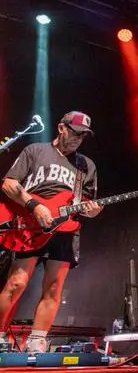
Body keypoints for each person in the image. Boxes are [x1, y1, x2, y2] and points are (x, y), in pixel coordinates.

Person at [0, 111, 103, 353]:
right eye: (75, 133)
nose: (78, 139)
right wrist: (34, 206)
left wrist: (92, 211)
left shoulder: (86, 166)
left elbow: (85, 203)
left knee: (54, 287)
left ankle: (37, 341)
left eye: (83, 136)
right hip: (30, 225)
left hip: (64, 230)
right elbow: (9, 184)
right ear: (61, 128)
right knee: (16, 282)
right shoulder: (35, 151)